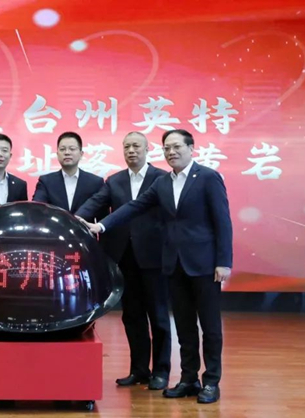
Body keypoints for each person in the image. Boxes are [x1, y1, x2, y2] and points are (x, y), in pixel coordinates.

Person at [84, 129, 233, 404]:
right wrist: (101, 225)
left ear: (191, 148)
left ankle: (211, 381)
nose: (171, 152)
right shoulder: (163, 182)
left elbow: (222, 221)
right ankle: (189, 379)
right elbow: (134, 206)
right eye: (167, 148)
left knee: (210, 327)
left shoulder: (208, 177)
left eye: (177, 147)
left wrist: (224, 261)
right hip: (173, 264)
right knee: (185, 326)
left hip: (204, 264)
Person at [75, 131, 171, 390]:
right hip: (123, 258)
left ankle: (161, 371)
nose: (131, 151)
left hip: (154, 257)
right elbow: (95, 203)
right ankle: (138, 370)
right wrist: (73, 219)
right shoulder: (114, 180)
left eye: (136, 146)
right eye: (127, 146)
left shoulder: (162, 178)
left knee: (159, 316)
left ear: (147, 149)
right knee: (132, 315)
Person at [32, 131, 106, 221]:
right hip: (55, 229)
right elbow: (37, 210)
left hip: (83, 230)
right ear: (57, 154)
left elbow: (103, 219)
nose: (67, 152)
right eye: (62, 149)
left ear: (81, 154)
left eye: (72, 149)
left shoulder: (95, 182)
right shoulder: (46, 181)